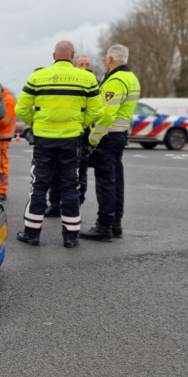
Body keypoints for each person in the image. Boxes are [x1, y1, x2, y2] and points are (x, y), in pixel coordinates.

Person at [15, 41, 103, 248]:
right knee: (70, 185)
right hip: (71, 138)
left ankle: (32, 233)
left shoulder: (38, 76)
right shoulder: (87, 78)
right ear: (72, 56)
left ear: (54, 55)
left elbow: (22, 108)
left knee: (39, 184)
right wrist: (81, 123)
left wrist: (36, 123)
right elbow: (98, 111)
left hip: (44, 139)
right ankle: (71, 237)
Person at [80, 44, 140, 242]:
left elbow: (106, 115)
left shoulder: (115, 80)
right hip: (119, 136)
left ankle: (103, 226)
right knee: (116, 182)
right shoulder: (131, 79)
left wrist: (93, 139)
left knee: (105, 183)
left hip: (108, 137)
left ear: (110, 59)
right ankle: (115, 224)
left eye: (106, 59)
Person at [45, 56, 94, 217]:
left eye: (87, 65)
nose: (84, 67)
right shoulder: (67, 82)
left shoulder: (93, 83)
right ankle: (54, 203)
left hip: (82, 137)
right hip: (62, 135)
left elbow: (96, 111)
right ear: (74, 66)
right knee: (55, 171)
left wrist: (82, 126)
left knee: (79, 174)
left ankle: (74, 205)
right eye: (81, 64)